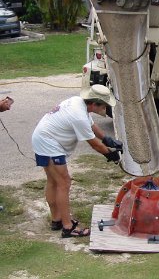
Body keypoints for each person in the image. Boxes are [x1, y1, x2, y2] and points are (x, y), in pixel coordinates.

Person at [32, 84, 122, 238]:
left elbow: (91, 125)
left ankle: (57, 220)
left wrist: (107, 140)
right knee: (63, 183)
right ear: (94, 104)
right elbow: (93, 144)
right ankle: (68, 228)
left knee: (53, 181)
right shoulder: (78, 115)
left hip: (42, 138)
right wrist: (110, 154)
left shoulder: (78, 102)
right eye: (104, 105)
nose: (105, 108)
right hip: (49, 144)